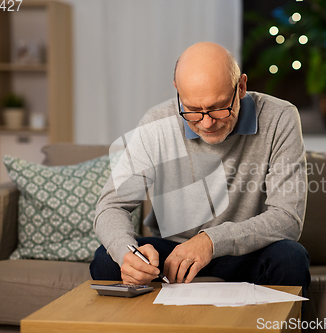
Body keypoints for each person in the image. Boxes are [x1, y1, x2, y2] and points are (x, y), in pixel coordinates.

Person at [91, 42, 310, 295]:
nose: (206, 123)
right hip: (172, 254)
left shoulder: (281, 117)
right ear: (177, 92)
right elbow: (111, 205)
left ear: (241, 87)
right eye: (193, 110)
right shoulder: (157, 122)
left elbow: (287, 218)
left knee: (291, 258)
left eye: (218, 108)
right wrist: (127, 253)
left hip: (245, 253)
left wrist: (211, 241)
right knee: (107, 260)